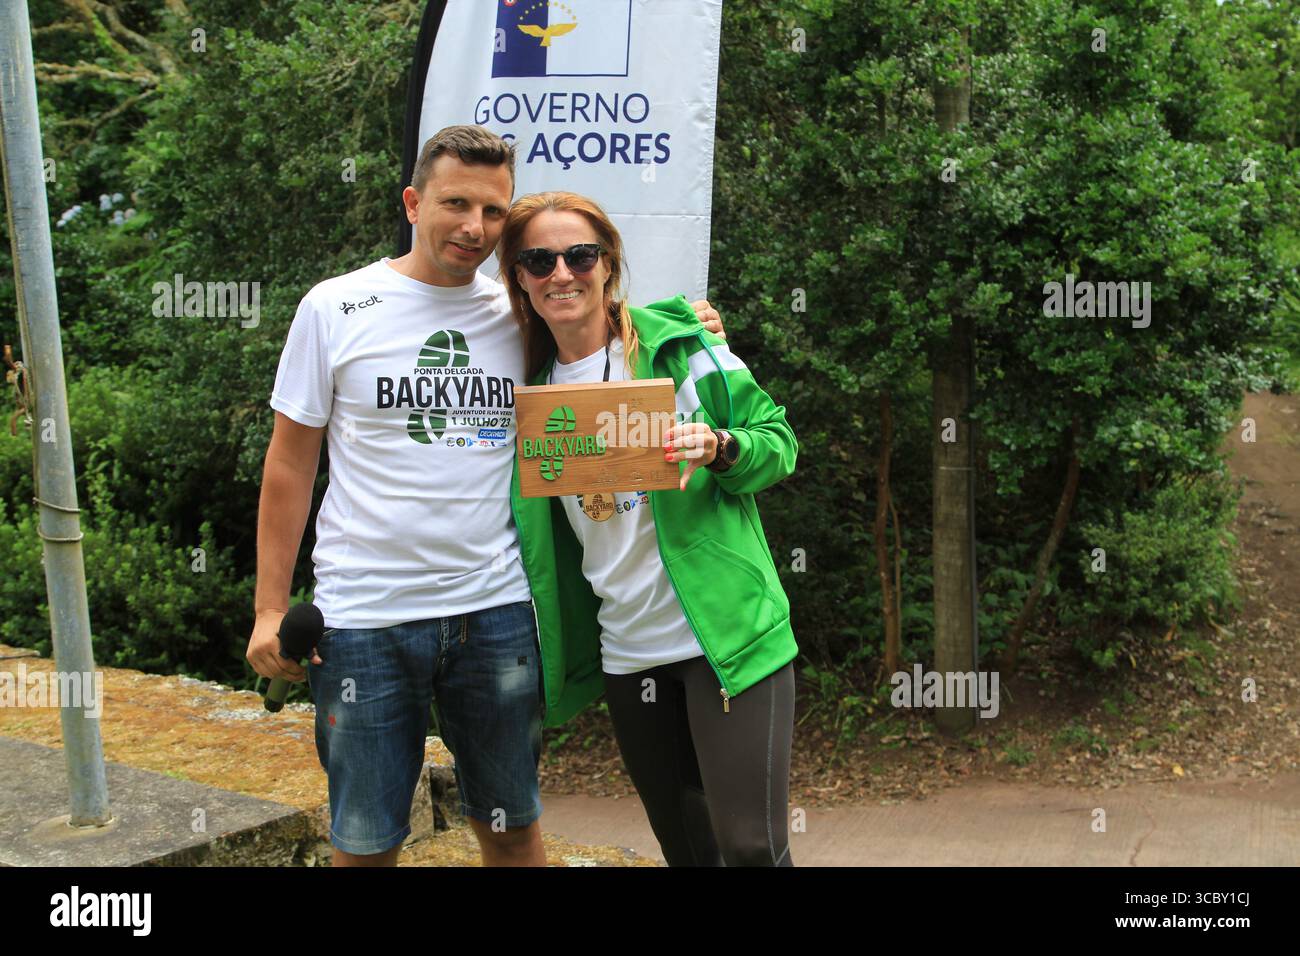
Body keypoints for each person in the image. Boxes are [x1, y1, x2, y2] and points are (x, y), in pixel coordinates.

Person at [245, 126, 725, 867]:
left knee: (511, 830)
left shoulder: (521, 313)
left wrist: (689, 324)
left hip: (496, 613)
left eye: (495, 211)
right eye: (456, 203)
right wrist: (270, 608)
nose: (475, 227)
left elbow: (605, 326)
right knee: (365, 840)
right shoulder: (334, 308)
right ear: (413, 202)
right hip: (364, 617)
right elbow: (288, 466)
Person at [502, 191, 799, 866]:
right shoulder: (530, 389)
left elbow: (778, 442)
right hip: (628, 652)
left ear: (607, 263)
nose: (562, 273)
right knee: (688, 850)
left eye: (580, 255)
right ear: (519, 277)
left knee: (751, 847)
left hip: (725, 634)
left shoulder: (681, 344)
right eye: (538, 260)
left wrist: (721, 446)